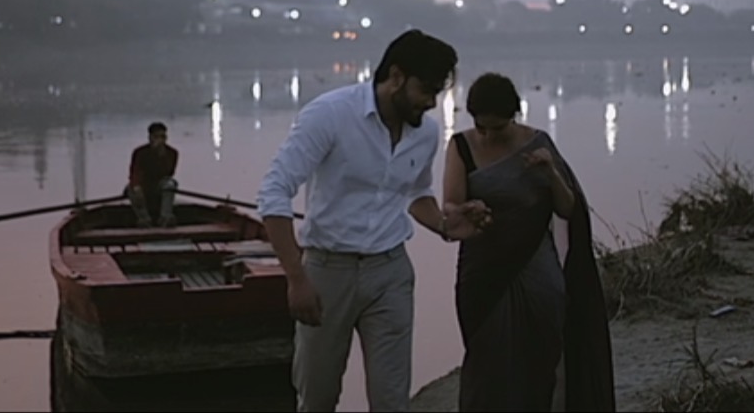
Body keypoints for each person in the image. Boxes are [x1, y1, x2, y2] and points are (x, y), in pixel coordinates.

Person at [259, 29, 490, 413]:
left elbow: (416, 194)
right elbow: (273, 193)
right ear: (396, 76)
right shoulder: (329, 114)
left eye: (438, 93)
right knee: (317, 397)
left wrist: (448, 226)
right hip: (326, 271)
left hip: (391, 272)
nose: (431, 103)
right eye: (426, 90)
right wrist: (297, 279)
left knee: (391, 399)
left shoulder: (425, 133)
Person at [443, 73, 614, 413]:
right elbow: (450, 205)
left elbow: (567, 208)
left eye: (498, 128)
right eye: (482, 127)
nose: (488, 135)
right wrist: (466, 210)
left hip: (535, 266)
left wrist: (550, 173)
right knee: (485, 358)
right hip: (483, 270)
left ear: (514, 115)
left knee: (541, 352)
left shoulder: (537, 143)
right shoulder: (461, 146)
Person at [128, 122, 180, 225]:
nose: (160, 140)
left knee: (170, 184)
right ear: (150, 137)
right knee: (131, 189)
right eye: (157, 136)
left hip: (160, 183)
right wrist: (137, 186)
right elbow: (135, 171)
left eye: (163, 136)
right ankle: (144, 219)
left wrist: (161, 156)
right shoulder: (140, 152)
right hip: (144, 183)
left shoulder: (172, 153)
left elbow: (169, 173)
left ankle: (166, 217)